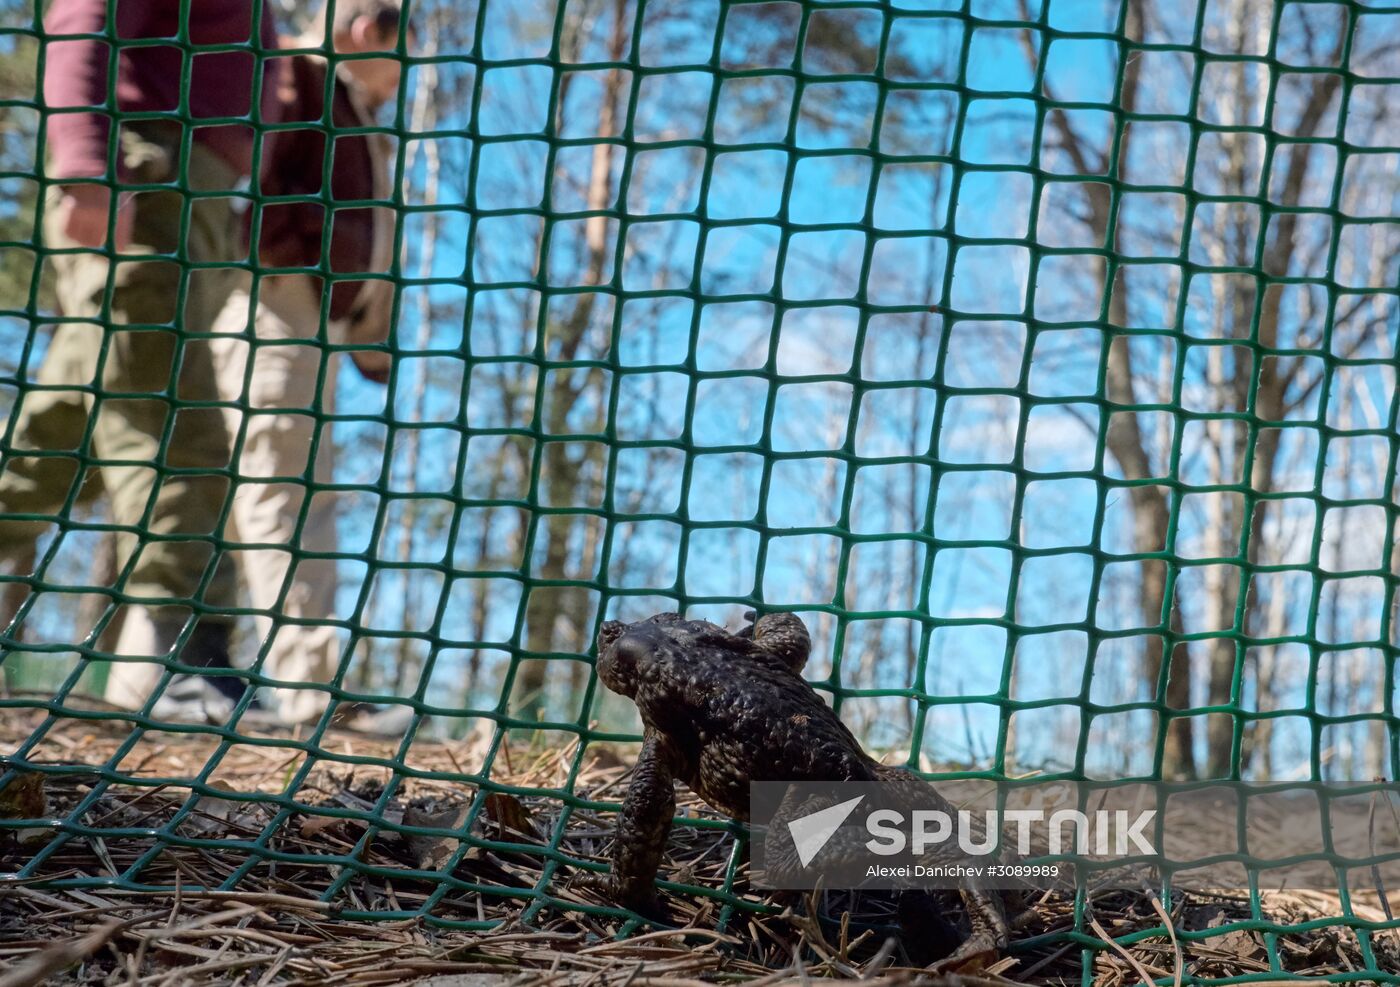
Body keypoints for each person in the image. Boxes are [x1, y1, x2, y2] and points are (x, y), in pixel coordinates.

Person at [0, 0, 281, 718]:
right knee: (174, 422)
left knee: (62, 431)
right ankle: (185, 657)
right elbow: (84, 21)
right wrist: (87, 166)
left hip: (194, 201)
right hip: (148, 184)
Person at [207, 0, 405, 730]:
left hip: (312, 313)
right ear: (369, 27)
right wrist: (287, 252)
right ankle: (302, 690)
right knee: (276, 486)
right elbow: (241, 175)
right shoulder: (296, 74)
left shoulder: (354, 107)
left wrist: (366, 333)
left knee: (301, 491)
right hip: (271, 301)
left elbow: (377, 235)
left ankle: (305, 681)